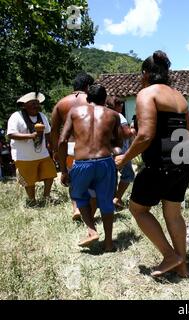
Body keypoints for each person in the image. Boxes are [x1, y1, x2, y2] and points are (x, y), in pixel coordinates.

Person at [115, 50, 189, 277]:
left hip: (161, 164)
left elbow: (145, 135)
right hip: (184, 162)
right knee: (173, 214)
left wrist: (125, 158)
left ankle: (170, 255)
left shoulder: (146, 94)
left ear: (145, 74)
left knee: (137, 208)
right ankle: (182, 267)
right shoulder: (180, 96)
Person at [58, 85, 122, 252]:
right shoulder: (114, 115)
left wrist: (64, 170)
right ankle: (109, 243)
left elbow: (62, 141)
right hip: (105, 161)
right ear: (104, 98)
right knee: (107, 202)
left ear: (87, 98)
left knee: (78, 195)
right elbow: (119, 143)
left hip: (81, 162)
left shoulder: (74, 112)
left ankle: (92, 230)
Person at [51, 72, 96, 221]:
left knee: (72, 180)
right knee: (91, 182)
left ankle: (76, 207)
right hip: (89, 147)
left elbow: (54, 131)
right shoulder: (92, 101)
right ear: (88, 86)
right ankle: (89, 211)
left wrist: (56, 151)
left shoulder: (61, 104)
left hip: (68, 148)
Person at [7, 92, 57, 206]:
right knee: (29, 181)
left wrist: (53, 148)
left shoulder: (42, 116)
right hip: (24, 156)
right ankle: (32, 201)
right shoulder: (16, 116)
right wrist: (31, 136)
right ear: (24, 105)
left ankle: (46, 197)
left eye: (37, 103)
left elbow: (48, 134)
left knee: (50, 175)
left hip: (42, 154)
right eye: (33, 103)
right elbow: (11, 134)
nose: (36, 106)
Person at [106, 96, 135, 210]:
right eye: (120, 104)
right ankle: (117, 198)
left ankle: (111, 201)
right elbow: (127, 133)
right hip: (120, 150)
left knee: (112, 176)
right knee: (128, 174)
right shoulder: (119, 116)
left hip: (107, 149)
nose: (122, 106)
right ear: (117, 105)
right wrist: (133, 130)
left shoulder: (103, 114)